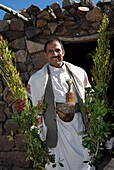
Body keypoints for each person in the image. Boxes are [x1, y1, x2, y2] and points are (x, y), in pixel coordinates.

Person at [14, 38, 95, 170]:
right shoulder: (37, 79)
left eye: (57, 50)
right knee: (57, 162)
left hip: (78, 125)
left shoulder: (79, 72)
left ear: (63, 52)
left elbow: (89, 95)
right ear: (46, 55)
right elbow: (29, 102)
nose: (54, 54)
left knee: (83, 159)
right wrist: (20, 107)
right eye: (50, 51)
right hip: (55, 126)